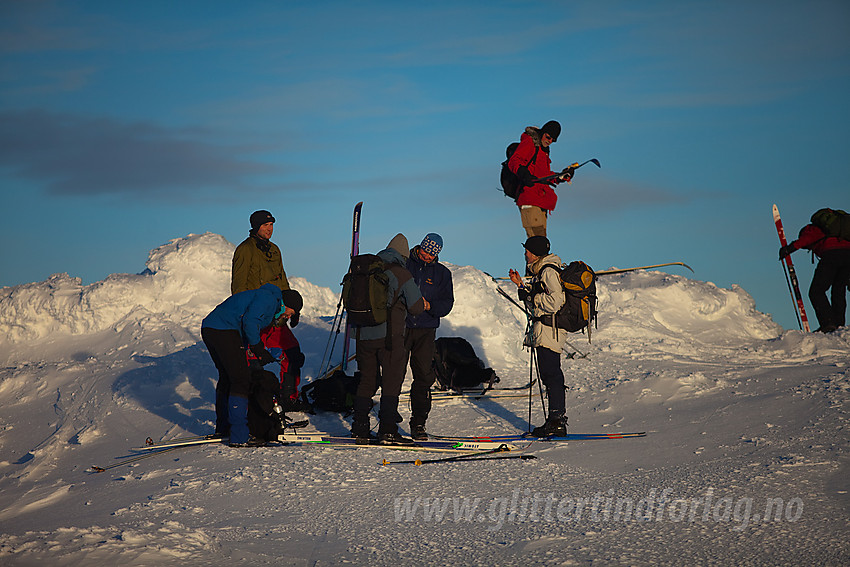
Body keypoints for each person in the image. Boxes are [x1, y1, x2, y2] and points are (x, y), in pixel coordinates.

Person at [201, 283, 299, 446]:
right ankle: (239, 436)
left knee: (228, 378)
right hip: (224, 329)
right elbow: (250, 322)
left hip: (211, 328)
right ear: (286, 304)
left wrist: (259, 353)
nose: (288, 317)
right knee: (241, 380)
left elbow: (246, 332)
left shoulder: (265, 300)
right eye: (291, 312)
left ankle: (224, 428)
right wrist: (259, 349)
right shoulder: (269, 299)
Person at [351, 233, 425, 445]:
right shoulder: (401, 273)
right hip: (389, 339)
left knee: (366, 380)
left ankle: (360, 429)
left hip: (363, 336)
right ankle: (388, 431)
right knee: (391, 383)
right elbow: (416, 307)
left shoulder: (366, 269)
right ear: (403, 254)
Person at [509, 236, 570, 437]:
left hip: (550, 331)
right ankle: (554, 420)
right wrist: (521, 286)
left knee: (552, 375)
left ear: (535, 253)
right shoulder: (541, 272)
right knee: (549, 374)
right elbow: (536, 302)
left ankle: (557, 421)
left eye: (527, 250)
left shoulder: (548, 271)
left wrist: (532, 296)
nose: (525, 253)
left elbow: (555, 301)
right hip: (544, 330)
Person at [404, 233, 455, 440]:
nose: (427, 256)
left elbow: (447, 303)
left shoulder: (443, 274)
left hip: (426, 330)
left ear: (437, 254)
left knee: (424, 377)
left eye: (431, 254)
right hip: (403, 327)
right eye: (425, 251)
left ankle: (419, 423)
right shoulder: (405, 264)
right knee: (394, 374)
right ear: (420, 247)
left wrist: (430, 306)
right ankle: (387, 420)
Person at [779, 215, 850, 333]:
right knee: (839, 290)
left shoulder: (812, 229)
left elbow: (805, 240)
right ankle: (839, 324)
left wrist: (789, 249)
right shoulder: (838, 234)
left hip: (832, 255)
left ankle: (828, 323)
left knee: (816, 291)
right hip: (848, 256)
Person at [507, 121, 570, 238]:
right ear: (543, 132)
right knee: (537, 241)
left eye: (553, 140)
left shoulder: (543, 150)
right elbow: (514, 161)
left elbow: (544, 175)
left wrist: (561, 176)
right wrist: (524, 173)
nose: (549, 141)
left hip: (541, 200)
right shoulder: (530, 143)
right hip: (529, 198)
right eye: (548, 137)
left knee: (541, 240)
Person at [231, 210, 290, 295]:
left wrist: (288, 302)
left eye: (271, 225)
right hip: (256, 305)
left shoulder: (274, 249)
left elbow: (283, 281)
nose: (269, 229)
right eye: (265, 225)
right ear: (256, 227)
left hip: (275, 304)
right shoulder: (245, 249)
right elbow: (239, 286)